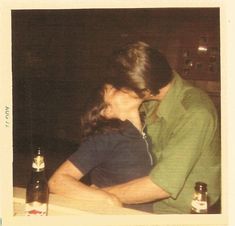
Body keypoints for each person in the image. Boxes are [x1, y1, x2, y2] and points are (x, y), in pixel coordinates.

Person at [101, 41, 221, 214]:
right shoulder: (152, 95)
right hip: (141, 197)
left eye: (124, 89)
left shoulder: (195, 113)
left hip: (178, 212)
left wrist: (98, 194)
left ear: (144, 90)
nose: (121, 92)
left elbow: (160, 186)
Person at [48, 82, 154, 212]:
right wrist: (107, 199)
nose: (125, 89)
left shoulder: (148, 130)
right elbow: (57, 182)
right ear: (108, 111)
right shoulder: (107, 137)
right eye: (115, 90)